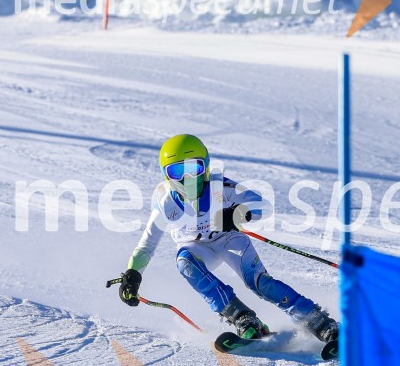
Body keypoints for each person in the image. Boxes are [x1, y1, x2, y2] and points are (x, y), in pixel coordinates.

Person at [116, 134, 338, 342]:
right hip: (195, 248)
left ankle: (319, 322)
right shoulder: (166, 205)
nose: (187, 178)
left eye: (194, 168)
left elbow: (264, 206)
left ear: (205, 166)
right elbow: (146, 246)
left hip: (228, 239)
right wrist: (132, 275)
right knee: (184, 262)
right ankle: (242, 317)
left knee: (259, 283)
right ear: (166, 175)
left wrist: (237, 214)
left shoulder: (221, 187)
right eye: (176, 172)